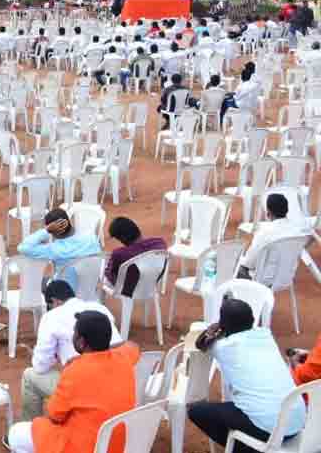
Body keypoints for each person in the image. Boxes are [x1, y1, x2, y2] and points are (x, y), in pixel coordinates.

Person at [7, 310, 139, 453]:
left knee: (15, 433)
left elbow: (54, 416)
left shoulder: (75, 370)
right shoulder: (124, 358)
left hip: (82, 447)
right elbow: (132, 344)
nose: (73, 336)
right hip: (118, 447)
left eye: (75, 333)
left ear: (81, 342)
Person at [189, 298, 306, 452]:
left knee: (196, 411)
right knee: (242, 408)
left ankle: (247, 449)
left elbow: (201, 343)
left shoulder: (224, 347)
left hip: (268, 430)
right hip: (296, 423)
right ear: (252, 320)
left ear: (223, 325)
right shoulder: (266, 335)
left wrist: (217, 327)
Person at [20, 281, 122, 422]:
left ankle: (29, 430)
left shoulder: (52, 317)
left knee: (29, 376)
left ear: (54, 301)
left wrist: (54, 355)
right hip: (117, 384)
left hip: (87, 391)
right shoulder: (100, 308)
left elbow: (40, 366)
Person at [18, 209, 102, 291]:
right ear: (69, 222)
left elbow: (23, 248)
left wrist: (46, 230)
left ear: (54, 231)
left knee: (33, 282)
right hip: (90, 288)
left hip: (64, 293)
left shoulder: (56, 250)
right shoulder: (92, 238)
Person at [238, 193, 306, 277]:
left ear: (268, 212)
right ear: (287, 210)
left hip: (262, 279)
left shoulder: (264, 233)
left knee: (235, 267)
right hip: (285, 277)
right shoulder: (297, 231)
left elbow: (248, 263)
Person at [104, 217, 166, 296]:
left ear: (121, 239)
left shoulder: (119, 253)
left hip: (129, 290)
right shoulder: (160, 243)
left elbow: (110, 274)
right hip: (150, 285)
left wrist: (107, 268)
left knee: (103, 274)